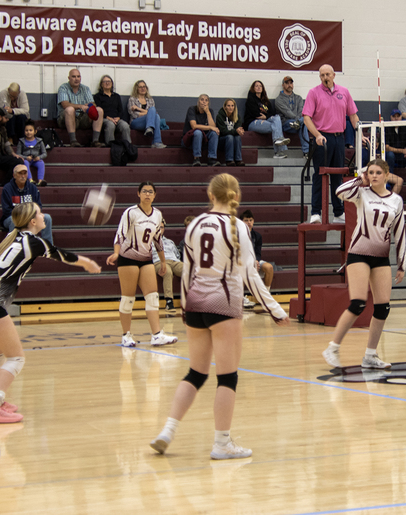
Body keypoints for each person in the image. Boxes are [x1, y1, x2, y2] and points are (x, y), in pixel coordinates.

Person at [150, 173, 289, 459]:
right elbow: (251, 274)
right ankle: (222, 443)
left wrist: (185, 307)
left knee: (196, 373)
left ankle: (168, 430)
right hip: (224, 305)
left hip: (195, 304)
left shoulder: (195, 224)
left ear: (210, 195)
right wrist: (275, 310)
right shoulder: (238, 227)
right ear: (236, 196)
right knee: (227, 377)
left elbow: (187, 271)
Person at [0, 202, 101, 422]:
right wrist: (87, 263)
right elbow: (60, 255)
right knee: (16, 357)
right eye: (39, 212)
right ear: (32, 221)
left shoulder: (14, 238)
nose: (44, 214)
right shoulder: (33, 241)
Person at [322, 160, 406, 370]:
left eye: (379, 172)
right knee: (358, 303)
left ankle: (370, 355)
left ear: (387, 175)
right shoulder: (361, 193)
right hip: (358, 253)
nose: (375, 176)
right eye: (371, 172)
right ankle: (332, 347)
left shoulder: (396, 201)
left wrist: (402, 264)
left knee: (383, 307)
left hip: (381, 257)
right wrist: (360, 179)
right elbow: (340, 192)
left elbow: (400, 232)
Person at [106, 182, 178, 347]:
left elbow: (158, 240)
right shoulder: (130, 212)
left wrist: (163, 262)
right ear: (138, 194)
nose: (147, 194)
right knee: (128, 298)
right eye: (144, 191)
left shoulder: (157, 214)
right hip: (128, 258)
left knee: (152, 296)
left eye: (150, 192)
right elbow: (120, 235)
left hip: (146, 259)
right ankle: (126, 335)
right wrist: (116, 253)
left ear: (155, 195)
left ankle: (157, 335)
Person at [303, 64, 362, 224]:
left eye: (327, 74)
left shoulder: (344, 92)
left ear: (334, 75)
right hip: (322, 138)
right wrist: (317, 135)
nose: (325, 78)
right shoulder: (313, 93)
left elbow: (353, 115)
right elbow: (306, 117)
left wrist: (360, 134)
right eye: (322, 75)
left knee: (338, 175)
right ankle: (316, 212)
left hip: (339, 138)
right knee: (320, 175)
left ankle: (338, 212)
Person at [1, 164, 52, 244]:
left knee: (47, 218)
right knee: (13, 220)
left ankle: (48, 247)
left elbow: (38, 206)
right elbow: (6, 210)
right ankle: (14, 247)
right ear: (14, 175)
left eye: (25, 173)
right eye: (20, 173)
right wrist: (22, 216)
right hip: (13, 217)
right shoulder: (7, 188)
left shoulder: (33, 188)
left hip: (30, 216)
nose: (23, 176)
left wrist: (31, 216)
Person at [57, 68, 104, 147]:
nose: (76, 79)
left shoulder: (85, 88)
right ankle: (73, 141)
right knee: (70, 109)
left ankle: (95, 141)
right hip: (66, 119)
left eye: (78, 76)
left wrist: (89, 107)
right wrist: (80, 106)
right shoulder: (63, 87)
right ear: (69, 78)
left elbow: (92, 103)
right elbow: (65, 104)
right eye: (74, 76)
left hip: (82, 117)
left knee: (99, 110)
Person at [245, 80, 290, 159]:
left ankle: (277, 141)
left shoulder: (266, 101)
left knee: (277, 117)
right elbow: (255, 114)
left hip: (265, 120)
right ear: (253, 88)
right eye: (256, 86)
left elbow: (272, 113)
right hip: (252, 123)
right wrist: (265, 116)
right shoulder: (250, 100)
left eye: (260, 86)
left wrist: (265, 117)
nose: (259, 87)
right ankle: (278, 149)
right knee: (276, 126)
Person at [241, 209, 275, 306]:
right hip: (242, 262)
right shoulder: (238, 235)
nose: (249, 222)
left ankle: (265, 296)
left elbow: (258, 252)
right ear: (241, 222)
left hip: (254, 261)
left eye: (251, 220)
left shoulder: (257, 236)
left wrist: (256, 261)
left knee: (269, 267)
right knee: (242, 269)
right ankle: (241, 298)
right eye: (246, 220)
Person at [274, 76, 310, 160]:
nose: (289, 85)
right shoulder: (278, 99)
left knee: (303, 123)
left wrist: (298, 121)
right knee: (304, 121)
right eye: (287, 83)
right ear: (283, 85)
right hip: (286, 124)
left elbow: (301, 111)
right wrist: (298, 120)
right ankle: (307, 151)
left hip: (298, 124)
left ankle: (306, 152)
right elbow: (287, 112)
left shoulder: (299, 98)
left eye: (291, 83)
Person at [151, 223, 183, 311]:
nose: (159, 229)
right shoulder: (149, 242)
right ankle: (169, 302)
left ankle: (193, 299)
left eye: (161, 227)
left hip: (174, 261)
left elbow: (177, 255)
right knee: (167, 272)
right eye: (157, 228)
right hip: (159, 262)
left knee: (189, 270)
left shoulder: (170, 241)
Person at [126, 80, 166, 149]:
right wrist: (149, 113)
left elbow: (154, 113)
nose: (143, 88)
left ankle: (150, 130)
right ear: (136, 89)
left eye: (144, 86)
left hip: (147, 122)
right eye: (140, 87)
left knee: (155, 115)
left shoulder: (150, 100)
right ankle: (156, 141)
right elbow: (134, 114)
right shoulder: (132, 99)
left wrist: (138, 109)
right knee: (154, 114)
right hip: (136, 122)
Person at [182, 94, 219, 166]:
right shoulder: (192, 109)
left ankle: (211, 158)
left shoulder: (210, 111)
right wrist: (210, 127)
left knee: (214, 133)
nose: (204, 102)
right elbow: (194, 126)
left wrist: (208, 112)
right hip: (191, 138)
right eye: (202, 100)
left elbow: (213, 127)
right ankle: (196, 158)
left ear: (208, 103)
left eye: (206, 100)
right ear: (198, 102)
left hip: (204, 137)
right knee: (198, 132)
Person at [94, 75, 131, 144]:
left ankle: (128, 145)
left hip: (116, 118)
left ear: (112, 83)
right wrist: (108, 118)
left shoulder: (116, 96)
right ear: (101, 84)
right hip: (104, 119)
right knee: (110, 125)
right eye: (105, 81)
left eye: (109, 81)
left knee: (125, 126)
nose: (107, 83)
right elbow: (98, 111)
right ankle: (111, 145)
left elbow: (120, 110)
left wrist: (118, 118)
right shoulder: (97, 96)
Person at [216, 98, 245, 166]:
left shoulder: (237, 117)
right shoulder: (220, 116)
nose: (230, 107)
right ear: (225, 106)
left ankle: (238, 160)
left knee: (237, 137)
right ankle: (229, 160)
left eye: (232, 105)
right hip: (222, 141)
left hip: (233, 140)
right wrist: (236, 131)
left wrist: (240, 131)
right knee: (230, 137)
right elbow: (223, 131)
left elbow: (238, 129)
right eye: (228, 105)